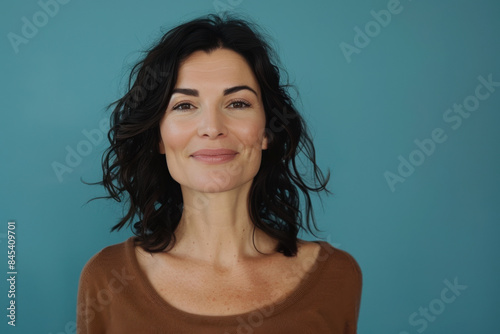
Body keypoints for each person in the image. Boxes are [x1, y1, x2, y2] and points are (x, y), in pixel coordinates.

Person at [77, 13, 362, 333]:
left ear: (267, 131)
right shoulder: (106, 279)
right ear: (158, 136)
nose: (212, 128)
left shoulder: (337, 276)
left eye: (237, 103)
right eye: (184, 106)